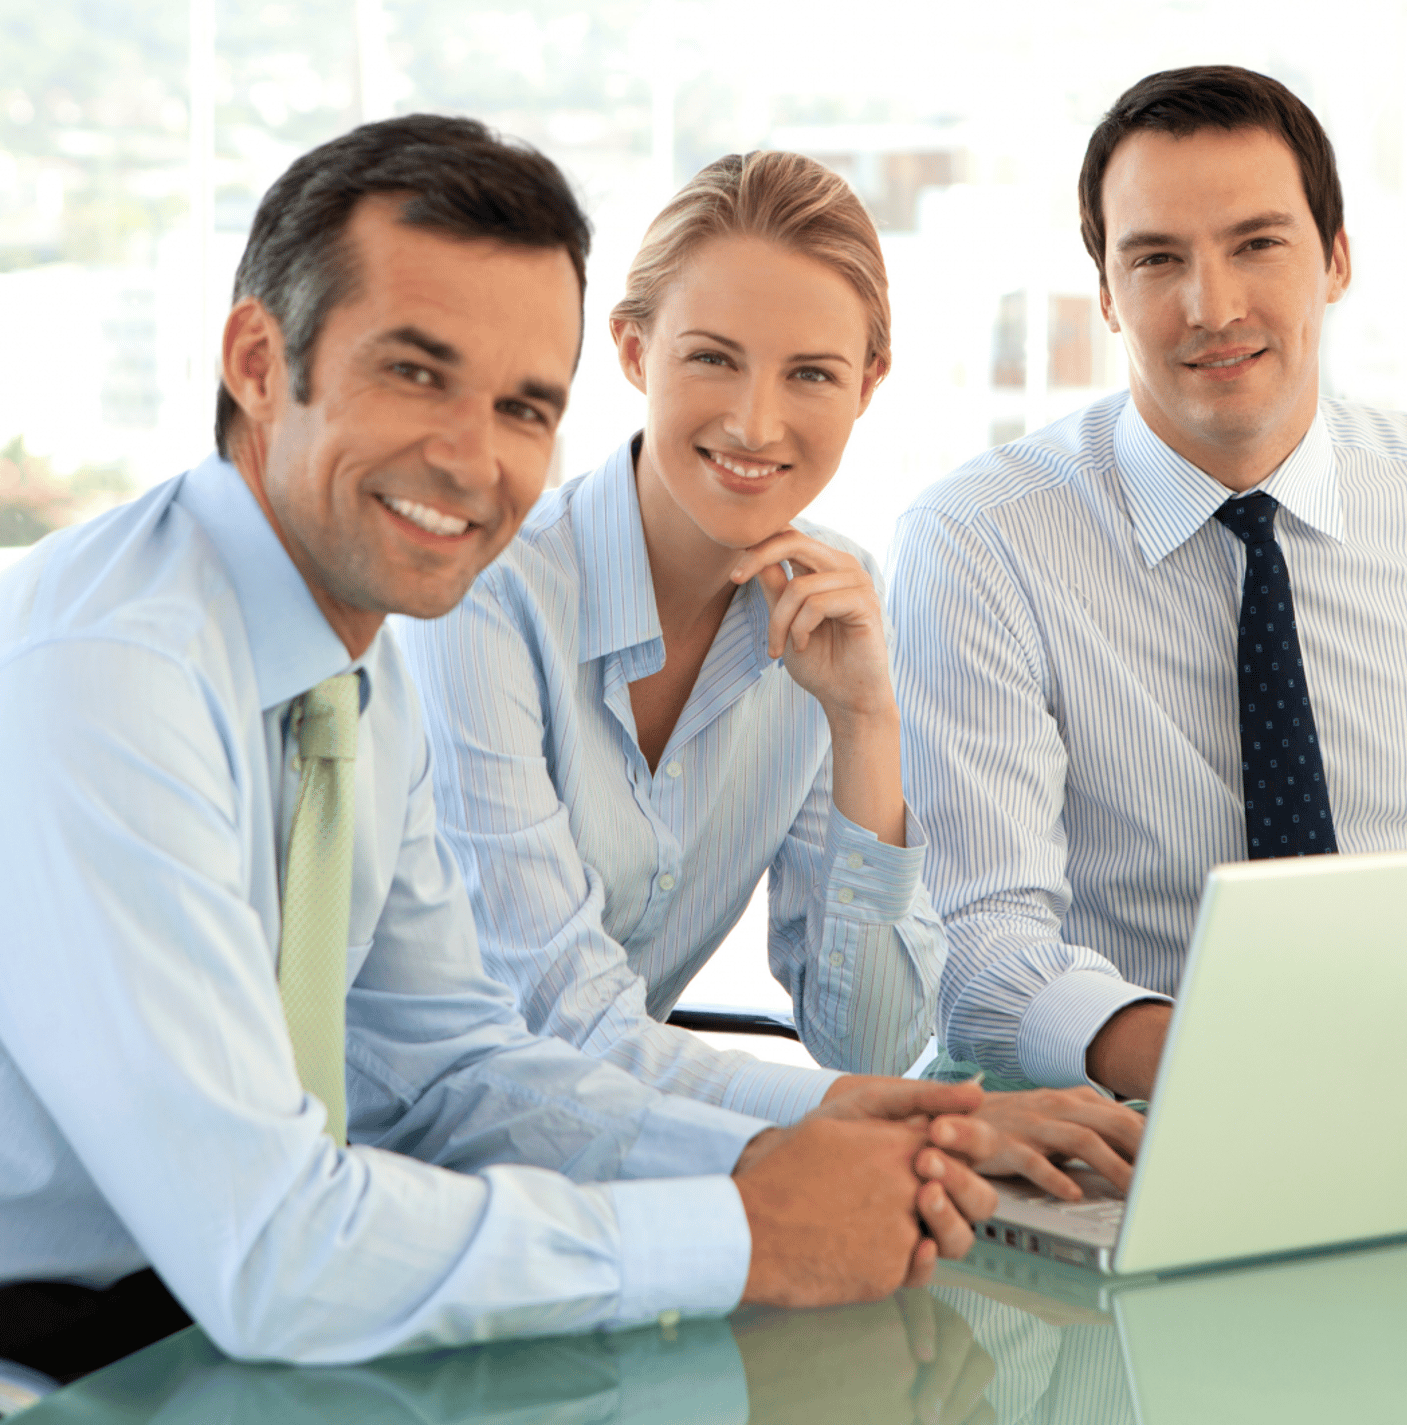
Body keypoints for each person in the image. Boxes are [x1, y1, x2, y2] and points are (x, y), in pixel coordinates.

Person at [0, 116, 1003, 1382]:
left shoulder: (345, 664)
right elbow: (272, 1249)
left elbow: (461, 1068)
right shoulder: (103, 684)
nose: (473, 458)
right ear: (260, 359)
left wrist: (789, 1156)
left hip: (148, 1331)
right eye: (417, 374)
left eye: (523, 405)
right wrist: (746, 1230)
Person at [400, 151, 1143, 1195]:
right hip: (397, 1179)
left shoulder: (823, 610)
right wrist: (934, 1121)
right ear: (631, 348)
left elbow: (870, 1040)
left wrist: (864, 724)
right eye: (712, 358)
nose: (756, 422)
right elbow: (554, 1022)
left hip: (610, 1179)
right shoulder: (487, 595)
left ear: (868, 384)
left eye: (811, 373)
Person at [888, 66, 1407, 1100]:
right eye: (1157, 258)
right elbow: (978, 937)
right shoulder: (978, 542)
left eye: (1257, 244)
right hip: (1133, 1114)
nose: (1213, 306)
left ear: (1336, 260)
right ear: (1106, 292)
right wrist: (1233, 1074)